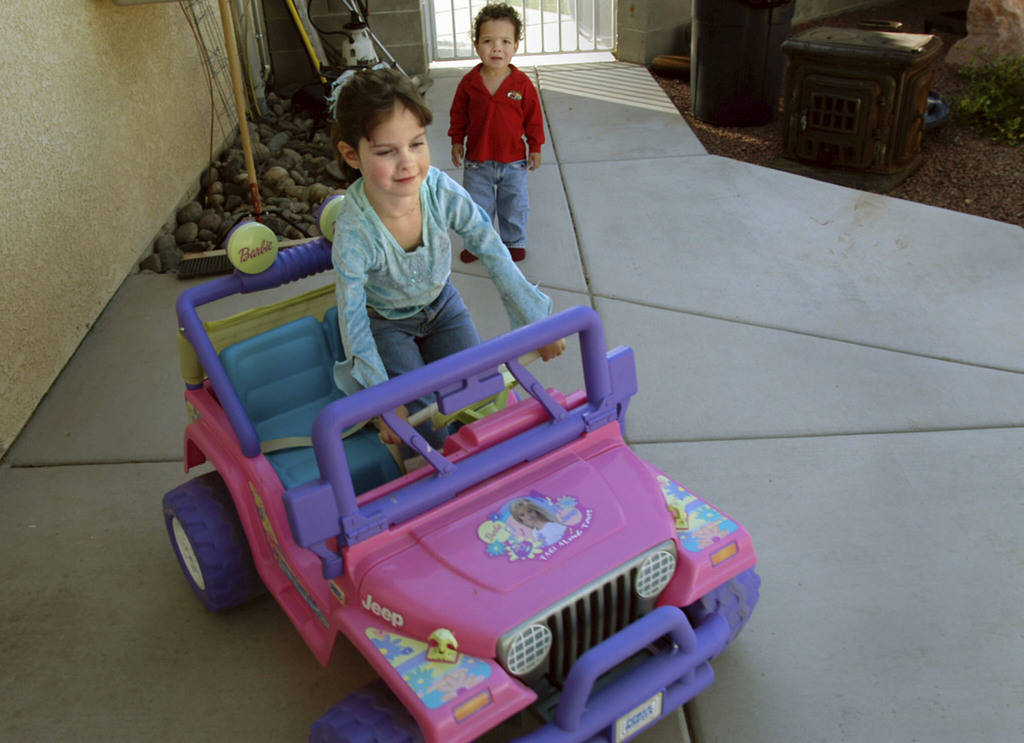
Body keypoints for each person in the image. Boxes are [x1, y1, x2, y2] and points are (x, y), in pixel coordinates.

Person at [329, 68, 565, 448]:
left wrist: (536, 320)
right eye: (387, 151)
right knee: (425, 428)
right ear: (351, 154)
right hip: (387, 322)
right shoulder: (355, 231)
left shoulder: (438, 191)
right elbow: (352, 314)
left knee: (481, 396)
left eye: (416, 143)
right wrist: (381, 397)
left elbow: (490, 247)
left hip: (443, 307)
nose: (407, 162)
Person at [449, 2, 543, 264]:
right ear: (476, 45)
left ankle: (513, 242)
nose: (497, 48)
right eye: (488, 41)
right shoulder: (469, 83)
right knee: (477, 207)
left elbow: (534, 119)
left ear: (516, 46)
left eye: (505, 41)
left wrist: (535, 146)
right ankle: (479, 243)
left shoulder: (522, 84)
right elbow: (458, 115)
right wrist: (456, 141)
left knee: (514, 205)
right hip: (477, 161)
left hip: (513, 160)